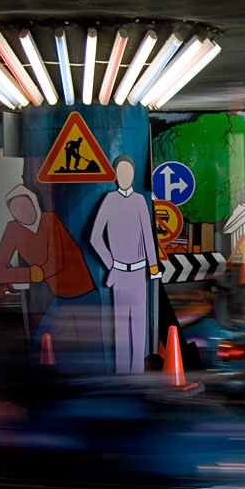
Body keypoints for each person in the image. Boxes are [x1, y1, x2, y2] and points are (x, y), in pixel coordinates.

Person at [0, 184, 99, 348]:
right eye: (14, 208)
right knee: (40, 345)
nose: (20, 211)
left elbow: (56, 263)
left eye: (23, 204)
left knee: (93, 347)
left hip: (85, 293)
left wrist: (26, 275)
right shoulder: (13, 229)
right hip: (60, 296)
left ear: (34, 202)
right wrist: (29, 275)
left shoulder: (51, 221)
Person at [90, 155, 160, 374]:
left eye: (128, 172)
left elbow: (148, 236)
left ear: (134, 174)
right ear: (115, 175)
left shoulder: (140, 200)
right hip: (119, 274)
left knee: (139, 326)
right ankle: (122, 376)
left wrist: (154, 267)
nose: (125, 177)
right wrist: (112, 264)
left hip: (139, 273)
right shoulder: (110, 200)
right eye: (121, 173)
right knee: (121, 328)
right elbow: (94, 237)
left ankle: (137, 375)